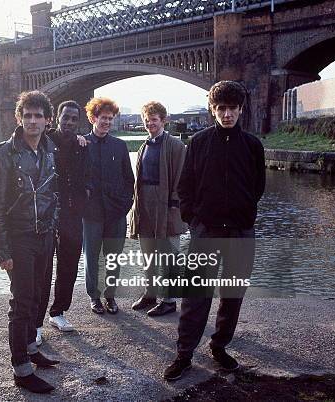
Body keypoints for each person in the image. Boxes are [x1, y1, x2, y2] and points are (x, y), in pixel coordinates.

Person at [164, 81, 266, 381]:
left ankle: (220, 347)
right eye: (221, 108)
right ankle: (184, 354)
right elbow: (185, 186)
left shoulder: (252, 145)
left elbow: (257, 186)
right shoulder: (198, 142)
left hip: (240, 230)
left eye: (232, 108)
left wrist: (245, 212)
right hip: (205, 230)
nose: (227, 114)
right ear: (213, 110)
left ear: (240, 109)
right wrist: (194, 220)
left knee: (233, 294)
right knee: (195, 295)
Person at [0, 91, 61, 394]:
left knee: (39, 295)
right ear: (19, 118)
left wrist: (53, 227)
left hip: (44, 236)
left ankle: (31, 348)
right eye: (26, 115)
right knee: (22, 300)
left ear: (47, 120)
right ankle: (21, 368)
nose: (32, 120)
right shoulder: (2, 153)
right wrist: (1, 250)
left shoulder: (49, 149)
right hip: (18, 238)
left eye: (37, 115)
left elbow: (53, 193)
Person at [35, 101, 89, 341]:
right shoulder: (44, 142)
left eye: (73, 119)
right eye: (65, 117)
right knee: (43, 269)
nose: (68, 122)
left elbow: (88, 177)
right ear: (57, 118)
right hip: (47, 214)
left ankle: (58, 312)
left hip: (72, 214)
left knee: (69, 265)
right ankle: (35, 323)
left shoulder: (81, 146)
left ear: (78, 122)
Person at [130, 101, 186, 317]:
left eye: (154, 119)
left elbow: (181, 178)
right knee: (148, 252)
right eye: (147, 119)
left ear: (163, 121)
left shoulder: (175, 145)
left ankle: (169, 300)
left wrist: (174, 205)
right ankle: (150, 293)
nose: (149, 123)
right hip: (145, 203)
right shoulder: (145, 145)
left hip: (167, 206)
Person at [82, 97, 135, 315]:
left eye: (110, 119)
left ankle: (111, 296)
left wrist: (124, 206)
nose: (106, 122)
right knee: (92, 257)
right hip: (91, 213)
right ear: (93, 118)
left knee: (114, 257)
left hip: (116, 213)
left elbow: (128, 180)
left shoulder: (120, 146)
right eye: (103, 118)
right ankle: (94, 297)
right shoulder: (82, 144)